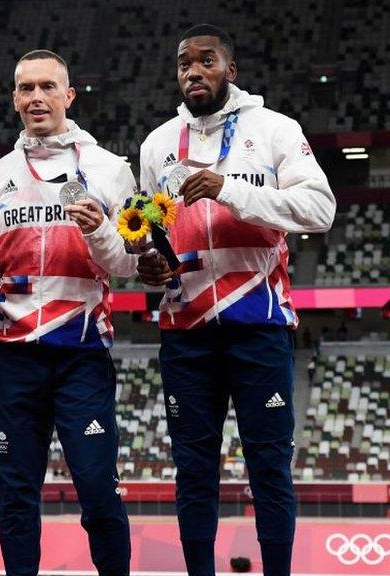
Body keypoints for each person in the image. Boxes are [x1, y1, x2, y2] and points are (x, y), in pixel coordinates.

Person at [136, 24, 335, 576]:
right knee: (193, 469)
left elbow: (320, 211)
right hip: (185, 333)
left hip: (259, 326)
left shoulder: (274, 130)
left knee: (269, 468)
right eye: (184, 64)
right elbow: (150, 230)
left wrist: (230, 189)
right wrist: (147, 263)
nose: (194, 72)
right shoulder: (157, 145)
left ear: (231, 70)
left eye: (206, 61)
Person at [0, 49, 134, 576]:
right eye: (26, 88)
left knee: (98, 490)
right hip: (13, 357)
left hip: (82, 354)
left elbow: (124, 264)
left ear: (69, 96)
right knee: (16, 495)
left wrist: (98, 229)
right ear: (13, 99)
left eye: (48, 87)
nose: (36, 97)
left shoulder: (109, 170)